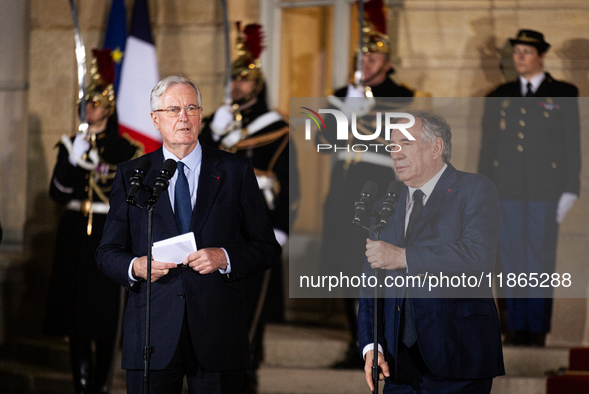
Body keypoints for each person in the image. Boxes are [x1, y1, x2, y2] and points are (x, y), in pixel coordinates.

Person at [96, 75, 281, 394]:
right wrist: (136, 267)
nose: (183, 116)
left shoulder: (234, 170)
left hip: (218, 334)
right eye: (173, 109)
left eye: (191, 107)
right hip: (152, 335)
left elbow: (266, 247)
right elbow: (107, 252)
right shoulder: (132, 175)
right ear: (155, 119)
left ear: (201, 114)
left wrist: (224, 257)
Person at [358, 110, 505, 393]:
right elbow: (369, 285)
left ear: (436, 147)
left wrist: (403, 257)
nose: (396, 154)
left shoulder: (474, 189)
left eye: (406, 144)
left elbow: (477, 256)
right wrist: (371, 345)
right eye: (392, 146)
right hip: (397, 366)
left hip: (458, 357)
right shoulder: (385, 207)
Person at [319, 0, 424, 369]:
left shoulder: (402, 95)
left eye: (374, 58)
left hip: (382, 190)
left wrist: (363, 107)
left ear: (388, 62)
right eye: (362, 58)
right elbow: (325, 141)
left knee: (377, 269)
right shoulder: (341, 95)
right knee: (346, 267)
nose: (367, 64)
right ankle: (357, 341)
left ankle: (384, 340)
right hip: (344, 192)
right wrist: (347, 106)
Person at [198, 23, 299, 393]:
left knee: (250, 313)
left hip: (256, 230)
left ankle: (247, 377)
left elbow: (290, 186)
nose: (236, 86)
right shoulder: (217, 125)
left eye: (243, 79)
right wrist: (211, 133)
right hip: (214, 230)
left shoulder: (277, 129)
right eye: (233, 79)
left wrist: (281, 229)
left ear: (257, 84)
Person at [43, 49, 143, 394]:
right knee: (75, 314)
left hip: (107, 232)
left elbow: (130, 193)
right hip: (74, 232)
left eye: (97, 102)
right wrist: (73, 159)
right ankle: (81, 384)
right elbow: (57, 193)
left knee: (103, 317)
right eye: (86, 102)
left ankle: (100, 384)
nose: (90, 108)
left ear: (109, 108)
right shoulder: (72, 144)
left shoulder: (126, 150)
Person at [478, 29, 581, 347]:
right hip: (506, 189)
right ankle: (515, 327)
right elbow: (489, 147)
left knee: (538, 258)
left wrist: (570, 188)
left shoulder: (563, 92)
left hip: (544, 191)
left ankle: (535, 329)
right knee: (509, 259)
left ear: (540, 56)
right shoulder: (500, 95)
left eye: (526, 52)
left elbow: (571, 143)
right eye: (516, 52)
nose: (519, 58)